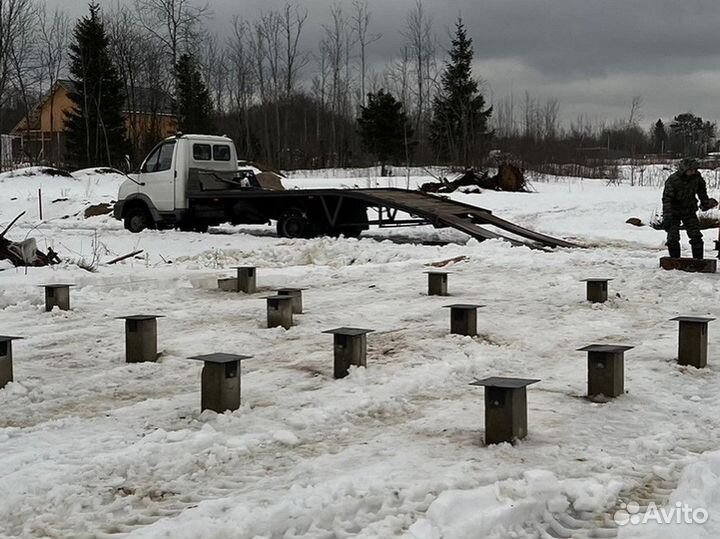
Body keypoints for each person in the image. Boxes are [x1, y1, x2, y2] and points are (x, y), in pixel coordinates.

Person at [661, 158, 715, 259]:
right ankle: (674, 260)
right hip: (674, 211)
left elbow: (702, 192)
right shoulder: (673, 180)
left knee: (696, 236)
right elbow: (667, 199)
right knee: (673, 237)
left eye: (694, 170)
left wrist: (705, 203)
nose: (692, 172)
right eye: (690, 170)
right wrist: (667, 216)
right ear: (683, 170)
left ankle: (698, 261)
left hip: (689, 210)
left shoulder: (697, 178)